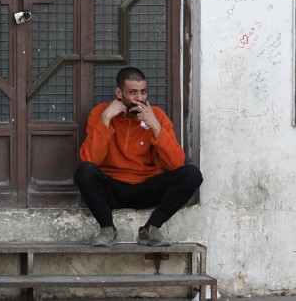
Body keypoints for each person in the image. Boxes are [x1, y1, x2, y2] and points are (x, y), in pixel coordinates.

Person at [74, 66, 203, 247]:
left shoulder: (157, 116)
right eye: (133, 92)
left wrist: (155, 127)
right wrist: (106, 119)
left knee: (192, 174)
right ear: (119, 93)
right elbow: (90, 159)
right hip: (112, 188)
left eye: (143, 92)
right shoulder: (101, 112)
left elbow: (176, 163)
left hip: (146, 187)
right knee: (84, 171)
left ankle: (151, 228)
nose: (140, 98)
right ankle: (107, 229)